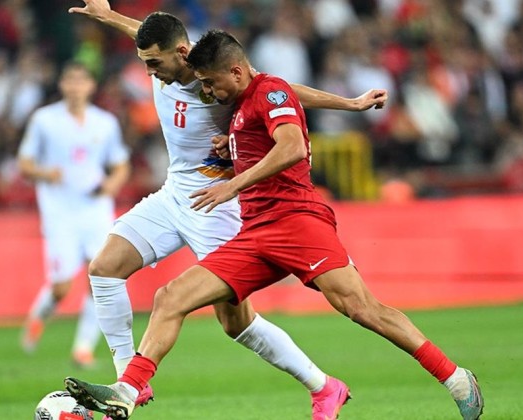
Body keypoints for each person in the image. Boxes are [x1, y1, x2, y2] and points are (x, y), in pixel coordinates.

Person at [63, 30, 485, 420]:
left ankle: (454, 376)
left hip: (298, 223)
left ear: (235, 70)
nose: (207, 92)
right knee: (170, 297)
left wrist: (233, 185)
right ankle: (128, 389)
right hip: (255, 233)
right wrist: (231, 153)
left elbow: (292, 146)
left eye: (210, 83)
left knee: (361, 309)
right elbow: (262, 139)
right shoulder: (242, 106)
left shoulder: (270, 90)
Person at [18, 61, 131, 368]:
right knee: (61, 287)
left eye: (82, 80)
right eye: (70, 80)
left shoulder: (105, 122)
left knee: (101, 278)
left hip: (95, 210)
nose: (76, 86)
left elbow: (120, 164)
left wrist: (111, 184)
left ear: (91, 86)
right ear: (62, 85)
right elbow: (24, 163)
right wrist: (44, 172)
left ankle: (82, 348)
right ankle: (38, 316)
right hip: (59, 212)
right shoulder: (44, 120)